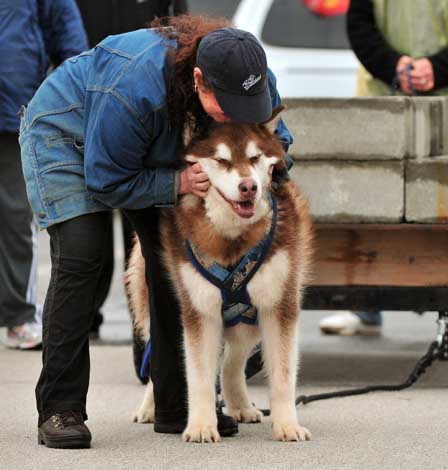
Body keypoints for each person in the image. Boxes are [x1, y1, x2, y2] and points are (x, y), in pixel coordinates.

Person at [21, 16, 292, 449]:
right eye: (229, 111)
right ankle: (61, 407)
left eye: (250, 109)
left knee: (174, 261)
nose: (240, 121)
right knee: (83, 257)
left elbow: (278, 147)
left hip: (154, 144)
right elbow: (106, 180)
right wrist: (178, 184)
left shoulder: (246, 78)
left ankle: (178, 404)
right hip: (68, 139)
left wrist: (266, 176)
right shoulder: (134, 87)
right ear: (200, 82)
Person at [319, 0, 448, 336]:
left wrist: (437, 68)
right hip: (384, 94)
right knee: (370, 201)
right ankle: (363, 308)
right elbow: (360, 25)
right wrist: (393, 65)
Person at [73, 0, 189, 339]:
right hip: (95, 98)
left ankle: (144, 338)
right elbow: (65, 34)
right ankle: (88, 320)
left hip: (145, 99)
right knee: (92, 231)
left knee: (142, 238)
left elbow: (180, 26)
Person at [0, 0, 88, 349]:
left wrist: (54, 100)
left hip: (14, 111)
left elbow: (72, 48)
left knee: (16, 218)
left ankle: (19, 317)